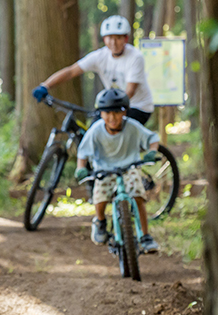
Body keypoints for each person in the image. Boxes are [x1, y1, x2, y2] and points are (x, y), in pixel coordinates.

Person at [74, 88, 160, 254]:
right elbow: (83, 152)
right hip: (105, 169)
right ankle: (100, 221)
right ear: (101, 113)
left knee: (137, 194)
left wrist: (152, 152)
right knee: (100, 195)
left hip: (129, 167)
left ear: (124, 112)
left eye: (116, 113)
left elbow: (152, 138)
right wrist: (81, 168)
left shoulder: (132, 126)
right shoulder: (96, 130)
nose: (112, 118)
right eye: (107, 113)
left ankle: (145, 235)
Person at [31, 15, 154, 125]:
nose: (113, 42)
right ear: (104, 39)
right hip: (114, 105)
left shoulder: (135, 57)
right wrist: (45, 86)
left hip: (138, 107)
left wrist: (109, 106)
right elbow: (71, 71)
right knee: (93, 130)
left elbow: (130, 91)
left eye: (118, 38)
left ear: (126, 39)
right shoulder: (100, 56)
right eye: (110, 37)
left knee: (113, 132)